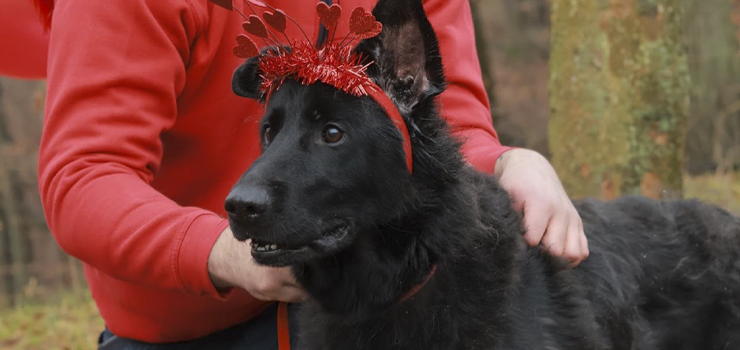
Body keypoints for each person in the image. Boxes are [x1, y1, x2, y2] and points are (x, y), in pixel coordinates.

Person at [2, 0, 588, 347]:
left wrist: (509, 161)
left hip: (378, 310)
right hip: (194, 327)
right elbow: (85, 175)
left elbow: (441, 119)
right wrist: (222, 254)